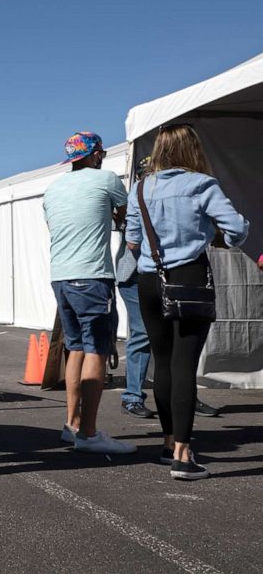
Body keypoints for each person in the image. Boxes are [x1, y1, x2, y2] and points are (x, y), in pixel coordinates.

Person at [125, 124, 248, 480]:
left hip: (148, 278)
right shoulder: (201, 184)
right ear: (192, 149)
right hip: (188, 276)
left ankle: (167, 444)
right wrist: (210, 234)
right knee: (184, 363)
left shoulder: (141, 187)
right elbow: (236, 228)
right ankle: (183, 452)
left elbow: (132, 240)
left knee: (161, 362)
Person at [43, 131, 134, 455]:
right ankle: (90, 433)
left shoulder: (53, 190)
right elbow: (126, 217)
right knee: (96, 349)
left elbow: (57, 227)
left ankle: (72, 424)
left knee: (76, 347)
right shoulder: (107, 179)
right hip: (93, 276)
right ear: (95, 155)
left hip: (61, 277)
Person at [115, 225, 155, 419]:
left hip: (167, 272)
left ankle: (185, 396)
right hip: (134, 276)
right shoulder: (132, 197)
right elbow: (128, 234)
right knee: (142, 333)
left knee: (179, 335)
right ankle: (132, 397)